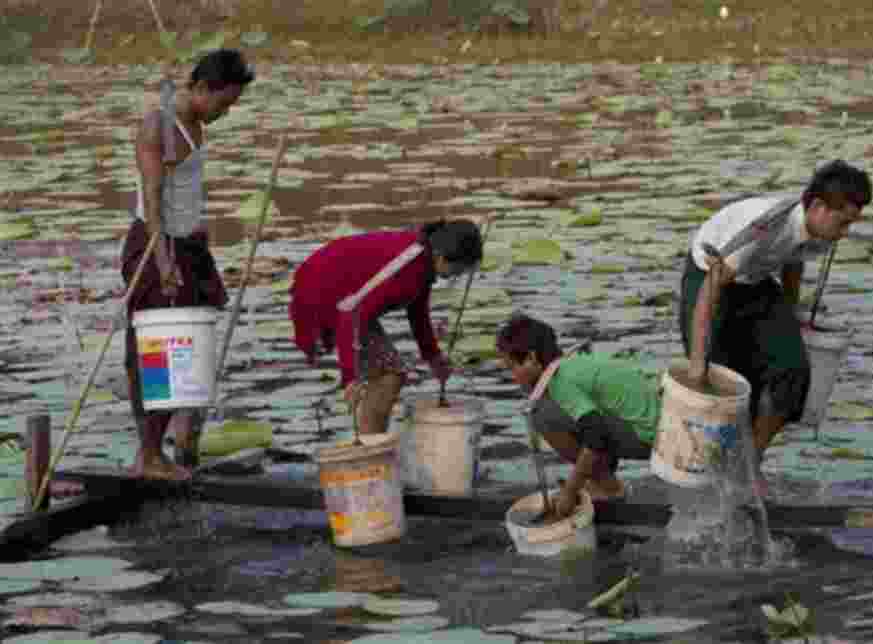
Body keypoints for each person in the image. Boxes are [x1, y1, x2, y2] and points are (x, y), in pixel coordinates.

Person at [679, 160, 873, 485]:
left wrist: (789, 314)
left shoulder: (821, 230)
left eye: (851, 224)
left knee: (793, 370)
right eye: (843, 223)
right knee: (720, 381)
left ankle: (751, 462)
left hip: (755, 278)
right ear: (818, 207)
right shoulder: (764, 227)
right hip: (711, 275)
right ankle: (712, 473)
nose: (845, 233)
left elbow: (794, 258)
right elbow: (712, 286)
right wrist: (698, 364)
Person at [122, 49, 254, 480]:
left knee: (189, 343)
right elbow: (153, 200)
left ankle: (178, 444)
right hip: (156, 245)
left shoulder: (194, 123)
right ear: (200, 87)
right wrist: (163, 262)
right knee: (158, 348)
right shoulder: (158, 126)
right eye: (223, 103)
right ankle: (149, 455)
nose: (224, 113)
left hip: (188, 243)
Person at [289, 219, 483, 435]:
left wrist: (433, 357)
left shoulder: (423, 259)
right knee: (388, 375)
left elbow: (417, 311)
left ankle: (370, 440)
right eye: (457, 269)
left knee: (387, 373)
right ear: (441, 256)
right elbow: (350, 315)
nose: (457, 275)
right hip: (322, 293)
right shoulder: (408, 264)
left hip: (343, 298)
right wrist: (350, 376)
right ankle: (369, 444)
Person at [496, 314, 660, 518]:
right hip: (657, 429)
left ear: (531, 358)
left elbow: (596, 435)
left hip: (652, 439)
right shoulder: (571, 363)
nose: (513, 376)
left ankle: (610, 488)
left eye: (512, 367)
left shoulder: (560, 381)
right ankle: (602, 481)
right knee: (567, 414)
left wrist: (570, 490)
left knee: (540, 414)